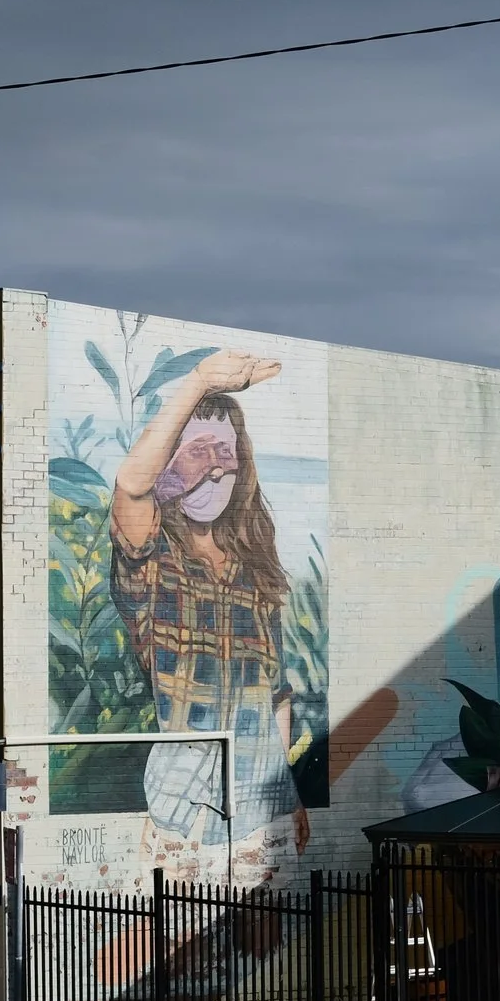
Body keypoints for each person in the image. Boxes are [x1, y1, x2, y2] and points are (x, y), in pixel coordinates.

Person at [108, 350, 310, 850]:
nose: (213, 468)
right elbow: (132, 487)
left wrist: (289, 793)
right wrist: (199, 382)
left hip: (262, 811)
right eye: (195, 452)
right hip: (182, 814)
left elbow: (276, 695)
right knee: (179, 908)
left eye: (223, 451)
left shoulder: (255, 572)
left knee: (272, 910)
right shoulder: (154, 562)